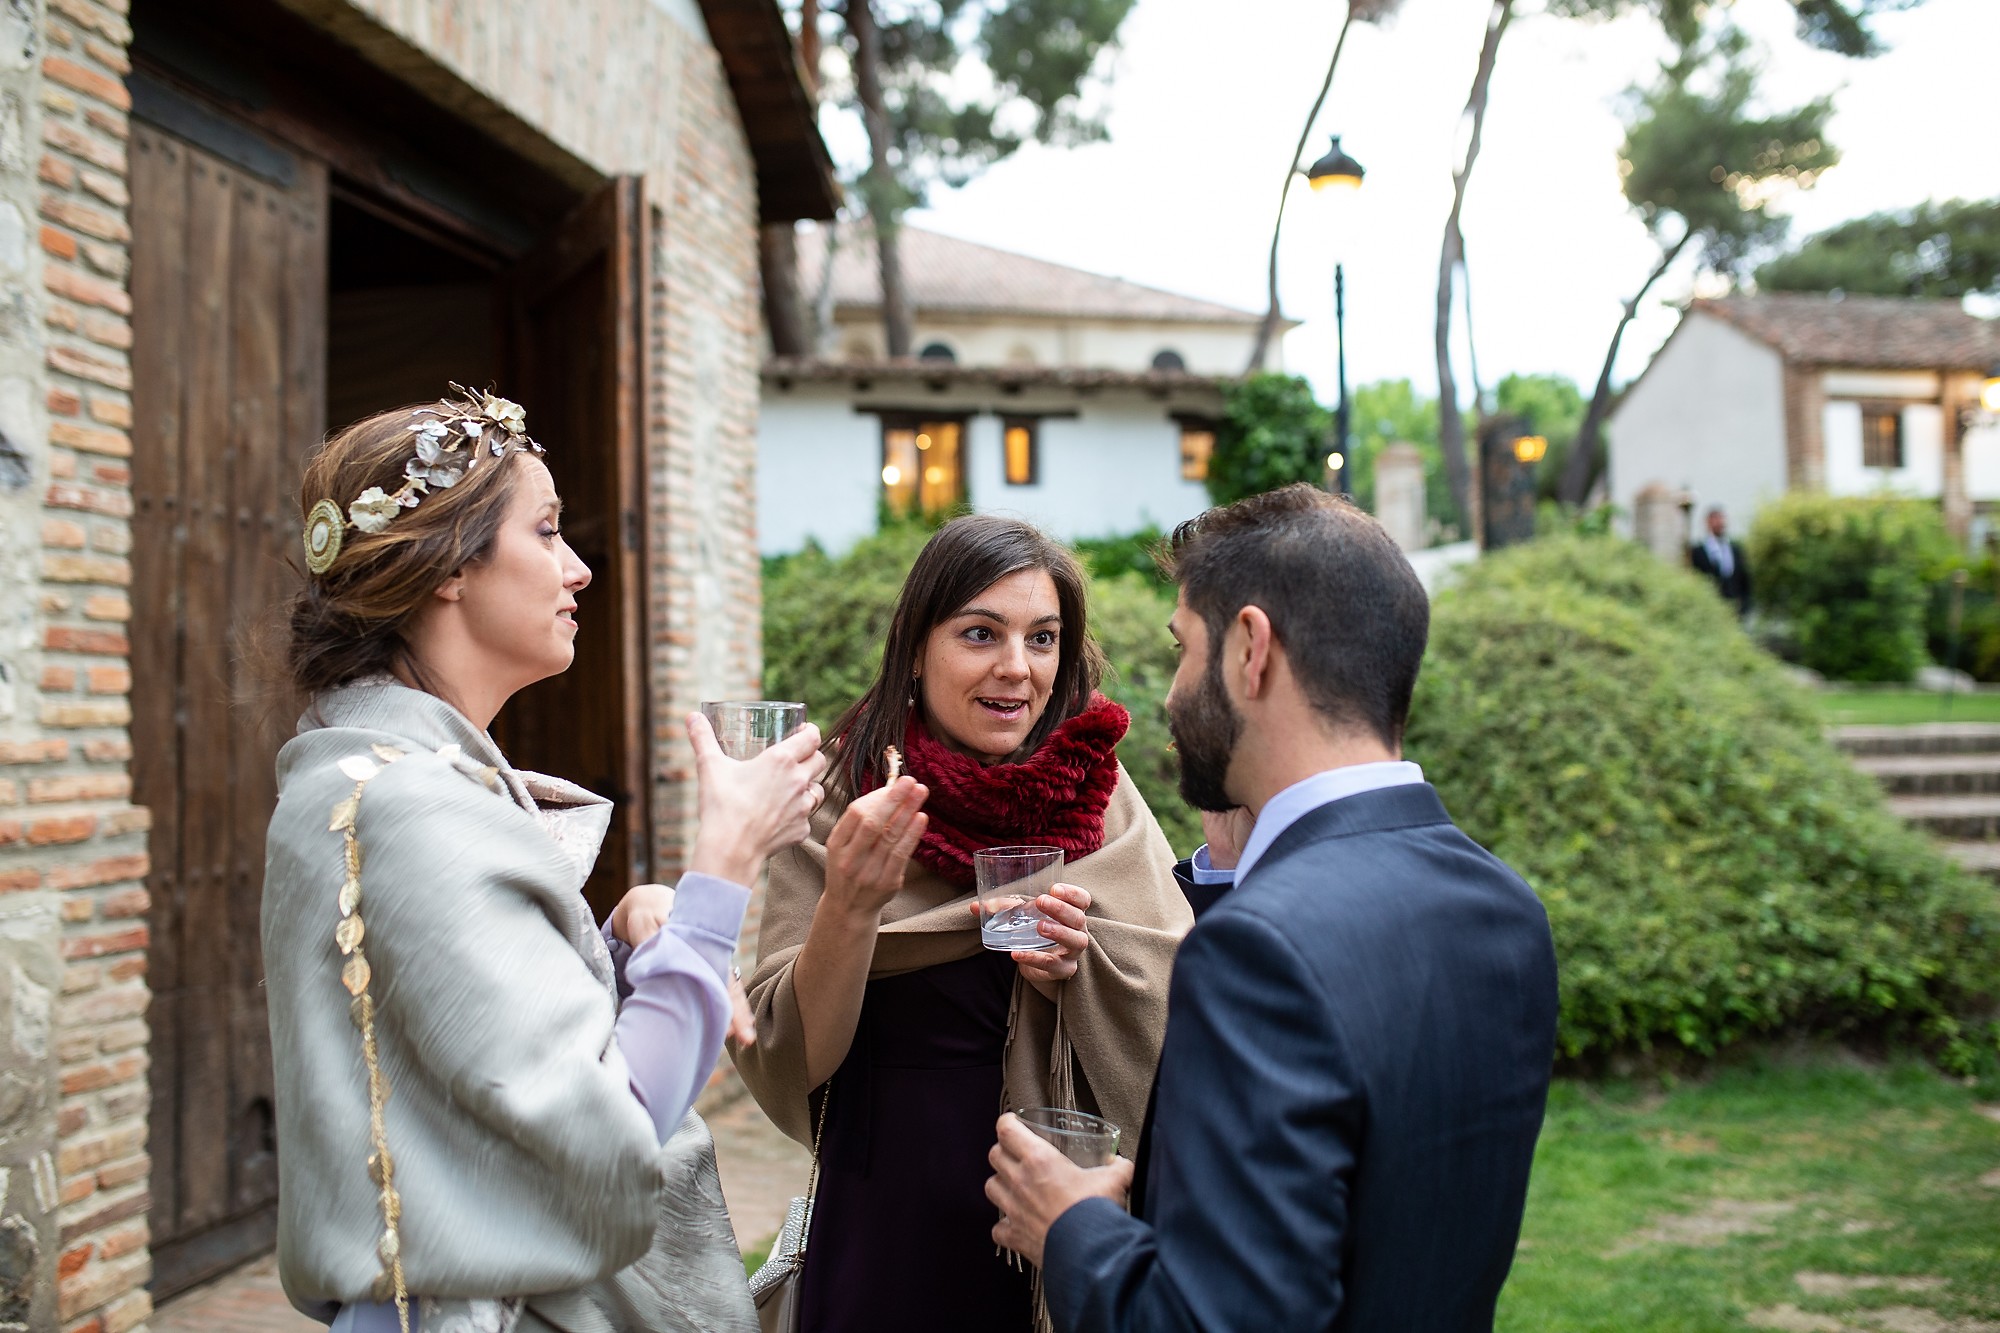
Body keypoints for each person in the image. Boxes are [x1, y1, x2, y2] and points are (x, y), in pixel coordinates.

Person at [261, 387, 827, 1333]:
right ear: (446, 564)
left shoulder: (370, 776)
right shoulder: (406, 804)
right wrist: (721, 868)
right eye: (548, 530)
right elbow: (609, 1129)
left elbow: (475, 1055)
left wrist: (627, 939)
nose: (579, 568)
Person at [984, 485, 1561, 1333]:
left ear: (1251, 649)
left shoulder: (1260, 948)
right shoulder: (1504, 908)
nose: (1174, 693)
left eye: (1184, 648)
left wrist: (1070, 1225)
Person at [734, 514, 1194, 1333]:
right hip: (890, 1222)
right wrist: (851, 904)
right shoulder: (846, 796)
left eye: (1043, 637)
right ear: (917, 645)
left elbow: (1177, 984)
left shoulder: (1100, 791)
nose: (1017, 668)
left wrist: (1078, 969)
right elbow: (786, 1055)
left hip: (1057, 1211)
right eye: (980, 633)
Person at [1690, 504, 1751, 617]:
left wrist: (1744, 605)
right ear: (1708, 522)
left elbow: (1744, 580)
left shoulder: (1735, 549)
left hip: (1735, 610)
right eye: (1716, 519)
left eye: (1722, 519)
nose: (1720, 523)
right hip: (1711, 609)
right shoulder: (1698, 551)